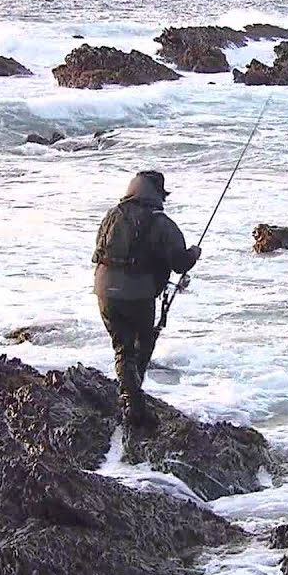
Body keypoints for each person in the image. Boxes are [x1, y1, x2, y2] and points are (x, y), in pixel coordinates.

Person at [92, 170, 201, 427]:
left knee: (123, 347)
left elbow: (100, 250)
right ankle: (134, 405)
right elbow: (180, 263)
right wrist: (194, 253)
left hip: (104, 291)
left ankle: (131, 396)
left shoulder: (112, 215)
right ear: (157, 194)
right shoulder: (162, 223)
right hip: (137, 295)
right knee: (142, 344)